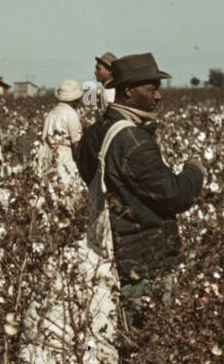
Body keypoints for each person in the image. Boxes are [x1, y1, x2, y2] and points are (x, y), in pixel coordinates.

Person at [74, 52, 206, 333]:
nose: (158, 96)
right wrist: (195, 171)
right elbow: (175, 195)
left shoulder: (96, 131)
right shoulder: (134, 140)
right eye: (152, 89)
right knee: (150, 338)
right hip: (144, 259)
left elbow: (88, 174)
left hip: (111, 251)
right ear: (128, 91)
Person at [33, 79, 86, 218]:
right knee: (67, 190)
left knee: (53, 189)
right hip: (65, 155)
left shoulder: (52, 113)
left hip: (49, 155)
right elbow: (76, 143)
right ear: (75, 100)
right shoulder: (71, 114)